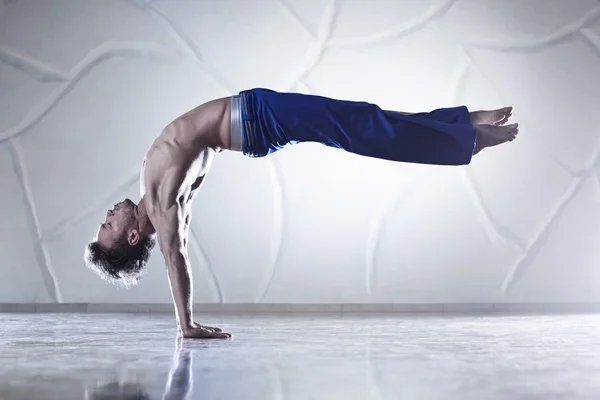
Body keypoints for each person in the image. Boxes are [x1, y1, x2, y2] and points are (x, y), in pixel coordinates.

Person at [84, 88, 518, 339]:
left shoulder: (161, 197)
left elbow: (176, 250)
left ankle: (461, 127)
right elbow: (174, 258)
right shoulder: (159, 201)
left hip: (256, 121)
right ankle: (465, 140)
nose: (107, 215)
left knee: (359, 119)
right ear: (132, 237)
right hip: (258, 118)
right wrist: (185, 324)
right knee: (358, 124)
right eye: (108, 227)